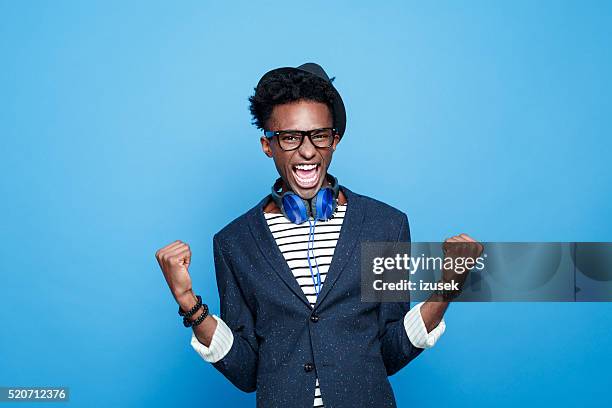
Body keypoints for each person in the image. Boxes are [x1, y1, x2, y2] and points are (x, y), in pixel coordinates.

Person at [155, 63, 483, 407]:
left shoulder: (384, 225)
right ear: (268, 145)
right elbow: (245, 372)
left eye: (319, 135)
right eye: (290, 137)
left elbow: (391, 351)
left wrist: (447, 289)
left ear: (334, 141)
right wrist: (188, 300)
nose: (307, 150)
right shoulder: (234, 242)